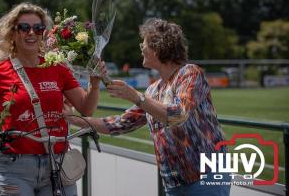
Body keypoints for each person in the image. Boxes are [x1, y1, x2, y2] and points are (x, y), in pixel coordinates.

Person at [64, 18, 230, 196]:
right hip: (174, 182)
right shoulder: (153, 89)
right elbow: (119, 124)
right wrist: (72, 119)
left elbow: (178, 115)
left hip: (206, 178)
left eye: (144, 43)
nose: (140, 47)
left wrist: (136, 96)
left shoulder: (189, 73)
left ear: (159, 47)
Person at [0, 2, 106, 196]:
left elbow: (86, 108)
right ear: (13, 33)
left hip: (57, 164)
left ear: (43, 33)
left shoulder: (58, 67)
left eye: (38, 28)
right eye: (24, 27)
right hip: (15, 167)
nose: (31, 33)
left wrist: (95, 83)